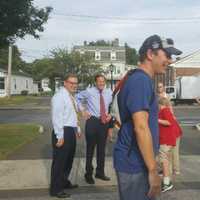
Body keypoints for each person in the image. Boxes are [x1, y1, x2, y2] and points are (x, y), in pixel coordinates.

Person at [113, 35, 182, 200]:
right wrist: (152, 171)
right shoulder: (140, 81)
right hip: (134, 164)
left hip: (138, 160)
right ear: (151, 54)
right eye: (167, 55)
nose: (170, 61)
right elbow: (141, 127)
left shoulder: (139, 79)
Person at [76, 74, 112, 184]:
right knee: (90, 149)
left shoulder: (109, 92)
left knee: (102, 149)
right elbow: (76, 97)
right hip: (92, 121)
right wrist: (82, 110)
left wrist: (111, 114)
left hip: (104, 122)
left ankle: (100, 172)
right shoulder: (89, 91)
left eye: (103, 81)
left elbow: (114, 104)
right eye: (99, 81)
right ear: (95, 82)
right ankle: (88, 174)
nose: (101, 83)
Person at [50, 74, 81, 198]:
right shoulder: (59, 97)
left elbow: (74, 113)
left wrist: (77, 128)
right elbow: (57, 118)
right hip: (62, 131)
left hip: (70, 131)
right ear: (65, 83)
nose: (74, 85)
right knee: (60, 162)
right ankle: (56, 189)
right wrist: (60, 136)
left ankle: (64, 182)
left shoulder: (71, 97)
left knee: (68, 160)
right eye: (71, 83)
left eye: (76, 83)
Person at [158, 97, 177, 192]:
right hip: (167, 140)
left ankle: (166, 182)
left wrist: (157, 120)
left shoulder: (165, 110)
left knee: (164, 161)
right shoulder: (167, 110)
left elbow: (169, 122)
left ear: (160, 104)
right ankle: (167, 180)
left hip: (165, 140)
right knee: (165, 161)